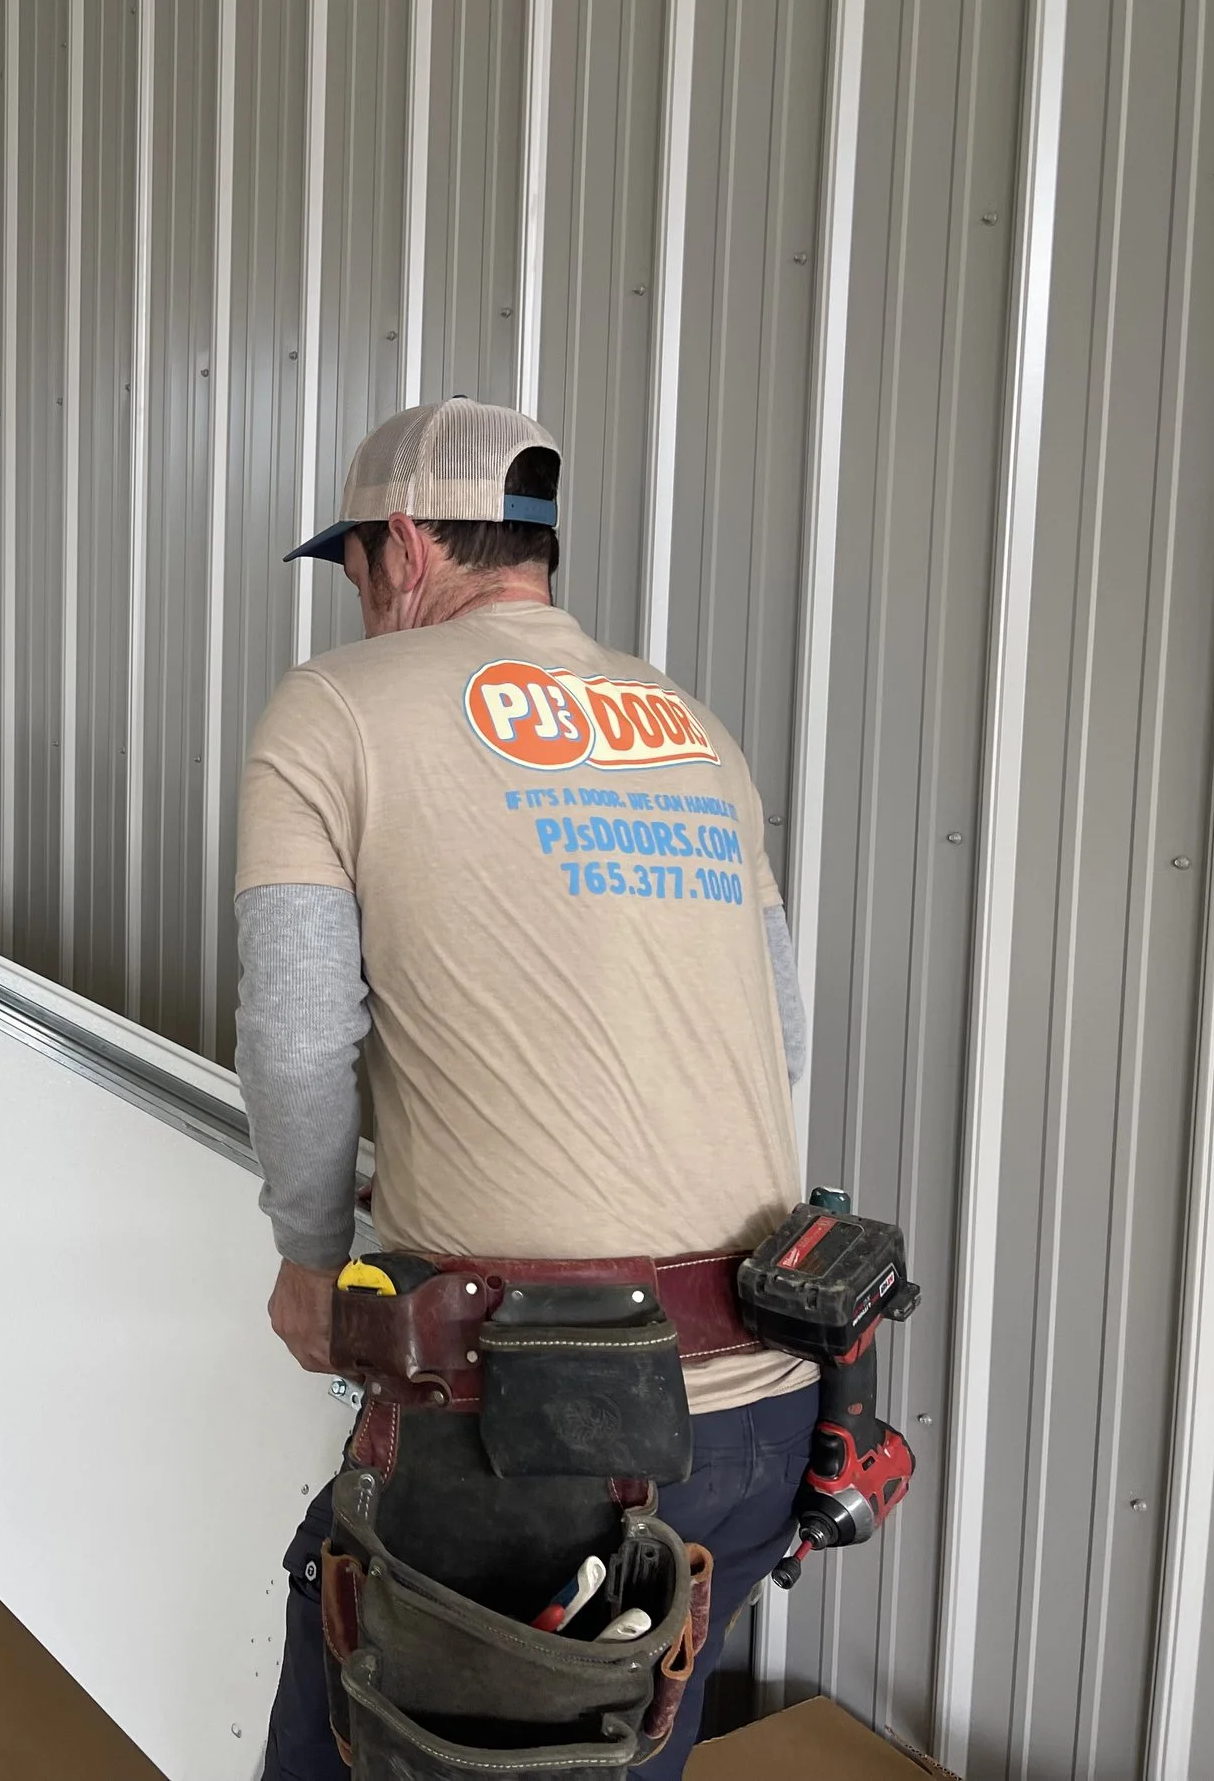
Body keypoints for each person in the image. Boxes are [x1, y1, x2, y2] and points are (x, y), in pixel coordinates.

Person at [239, 400, 821, 1779]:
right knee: (626, 1744)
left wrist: (312, 1260)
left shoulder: (334, 708)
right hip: (764, 1399)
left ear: (397, 549)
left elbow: (302, 1029)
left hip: (532, 1428)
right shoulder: (690, 722)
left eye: (357, 568)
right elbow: (782, 1035)